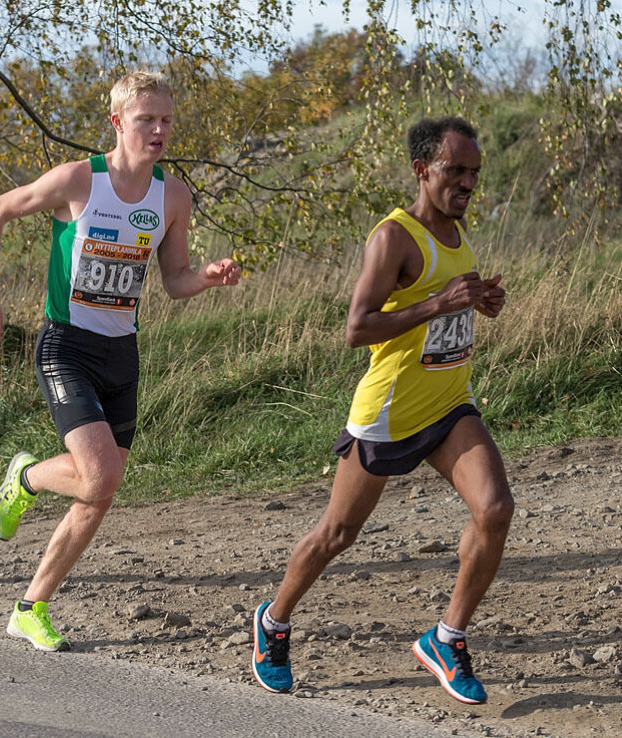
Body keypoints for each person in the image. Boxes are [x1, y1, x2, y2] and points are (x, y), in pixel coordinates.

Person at [0, 71, 241, 651]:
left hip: (123, 352)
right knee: (100, 476)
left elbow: (173, 280)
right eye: (147, 119)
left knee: (101, 493)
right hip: (66, 345)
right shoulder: (79, 181)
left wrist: (207, 279)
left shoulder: (172, 194)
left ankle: (30, 605)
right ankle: (25, 477)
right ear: (118, 123)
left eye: (167, 119)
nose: (160, 130)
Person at [252, 117, 513, 705]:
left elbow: (445, 301)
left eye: (475, 172)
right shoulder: (393, 237)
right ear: (423, 170)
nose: (468, 182)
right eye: (456, 171)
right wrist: (439, 302)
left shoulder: (457, 230)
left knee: (495, 508)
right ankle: (273, 622)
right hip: (389, 413)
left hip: (448, 402)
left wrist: (477, 301)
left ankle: (447, 638)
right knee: (337, 534)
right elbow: (357, 328)